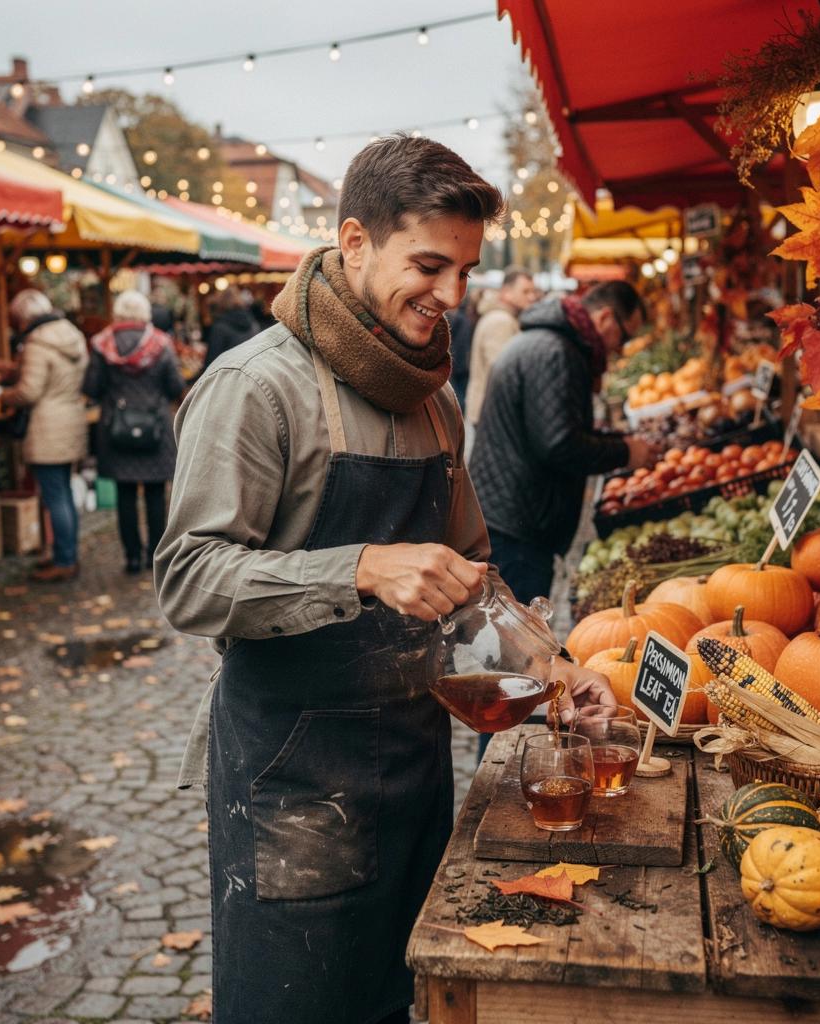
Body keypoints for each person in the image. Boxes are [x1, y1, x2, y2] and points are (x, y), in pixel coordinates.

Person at [154, 134, 615, 1024]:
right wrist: (362, 567)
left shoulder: (435, 399)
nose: (452, 297)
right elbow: (187, 579)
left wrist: (554, 667)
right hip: (294, 780)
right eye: (430, 266)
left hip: (413, 763)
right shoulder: (256, 387)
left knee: (399, 999)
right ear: (355, 242)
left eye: (465, 272)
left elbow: (476, 581)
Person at [471, 281, 662, 604]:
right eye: (624, 337)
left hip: (512, 513)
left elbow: (556, 429)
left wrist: (616, 441)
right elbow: (559, 444)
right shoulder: (556, 352)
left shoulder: (548, 343)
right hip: (519, 524)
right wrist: (624, 452)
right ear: (605, 318)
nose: (620, 349)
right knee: (519, 626)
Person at [83, 290, 185, 574]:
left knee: (125, 493)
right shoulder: (161, 343)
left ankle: (131, 557)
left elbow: (91, 387)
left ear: (117, 314)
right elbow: (175, 386)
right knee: (155, 493)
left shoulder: (101, 344)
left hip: (117, 429)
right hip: (155, 428)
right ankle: (156, 555)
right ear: (145, 314)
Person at [0, 289, 89, 583]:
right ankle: (67, 554)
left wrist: (2, 396)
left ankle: (64, 560)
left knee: (55, 496)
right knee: (63, 492)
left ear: (24, 317)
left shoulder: (37, 343)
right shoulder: (72, 336)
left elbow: (29, 391)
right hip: (71, 418)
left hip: (47, 426)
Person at [464, 266, 538, 427]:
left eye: (533, 291)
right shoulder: (501, 321)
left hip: (491, 412)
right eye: (525, 292)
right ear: (506, 292)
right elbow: (502, 371)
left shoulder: (504, 318)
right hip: (493, 414)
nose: (532, 297)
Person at [200, 287, 260, 371]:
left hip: (226, 374)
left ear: (220, 303)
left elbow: (210, 361)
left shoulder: (220, 327)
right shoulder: (253, 324)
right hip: (250, 373)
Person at [445, 288, 479, 415]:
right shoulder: (463, 318)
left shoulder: (458, 318)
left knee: (458, 393)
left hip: (458, 361)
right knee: (459, 394)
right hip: (461, 362)